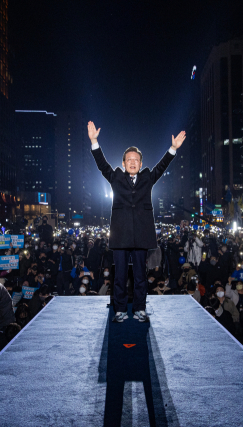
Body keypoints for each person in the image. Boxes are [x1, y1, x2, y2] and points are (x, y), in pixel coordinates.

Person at [88, 120, 185, 323]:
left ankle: (140, 309)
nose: (132, 162)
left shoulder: (148, 176)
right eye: (129, 160)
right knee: (120, 276)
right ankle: (120, 310)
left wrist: (173, 149)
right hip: (120, 235)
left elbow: (162, 166)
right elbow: (101, 165)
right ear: (123, 163)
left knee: (141, 276)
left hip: (141, 234)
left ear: (141, 164)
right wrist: (94, 142)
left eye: (136, 160)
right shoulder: (115, 176)